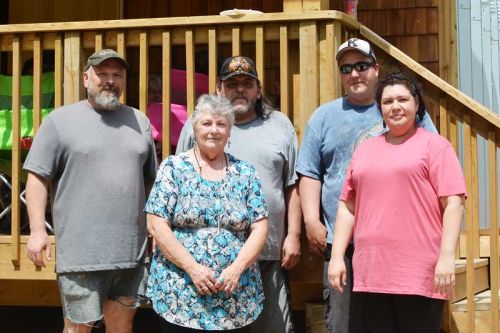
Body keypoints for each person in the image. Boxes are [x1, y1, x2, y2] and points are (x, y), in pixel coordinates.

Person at [296, 38, 437, 333]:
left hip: (401, 247)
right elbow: (309, 172)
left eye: (361, 66)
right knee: (342, 323)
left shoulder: (402, 110)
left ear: (376, 68)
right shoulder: (324, 117)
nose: (354, 74)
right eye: (346, 68)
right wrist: (311, 220)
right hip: (343, 245)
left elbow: (435, 171)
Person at [24, 49, 157, 333]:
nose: (110, 80)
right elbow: (37, 178)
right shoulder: (59, 122)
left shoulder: (140, 121)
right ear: (86, 78)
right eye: (102, 74)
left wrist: (154, 230)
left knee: (122, 326)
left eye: (117, 75)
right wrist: (37, 231)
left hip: (131, 252)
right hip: (81, 254)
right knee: (77, 328)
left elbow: (149, 183)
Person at [329, 71, 466, 333]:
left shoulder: (436, 147)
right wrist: (337, 257)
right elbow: (348, 206)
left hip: (417, 273)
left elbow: (454, 203)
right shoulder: (365, 150)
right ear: (380, 108)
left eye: (403, 99)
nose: (396, 107)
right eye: (388, 101)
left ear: (416, 105)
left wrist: (447, 257)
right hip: (370, 274)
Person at [177, 55, 301, 333]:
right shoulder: (200, 125)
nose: (240, 90)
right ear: (220, 89)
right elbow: (180, 179)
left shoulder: (280, 125)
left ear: (258, 90)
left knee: (272, 328)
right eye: (233, 84)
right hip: (209, 258)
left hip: (267, 253)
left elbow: (292, 184)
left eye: (247, 83)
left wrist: (293, 234)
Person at [146, 94, 268, 332]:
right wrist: (193, 268)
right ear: (194, 128)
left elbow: (260, 228)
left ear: (230, 131)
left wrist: (235, 269)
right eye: (207, 123)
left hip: (235, 294)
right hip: (181, 293)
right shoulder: (173, 168)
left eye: (221, 124)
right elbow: (156, 224)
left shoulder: (245, 172)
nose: (214, 130)